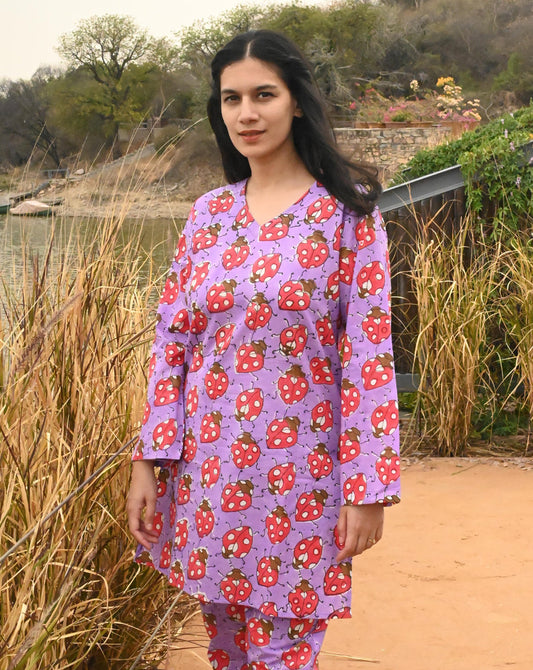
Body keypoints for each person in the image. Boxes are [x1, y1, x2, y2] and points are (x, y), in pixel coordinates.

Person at [127, 29, 400, 670]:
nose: (246, 113)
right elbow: (172, 343)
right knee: (225, 650)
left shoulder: (347, 215)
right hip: (210, 475)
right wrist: (149, 459)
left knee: (281, 655)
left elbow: (368, 355)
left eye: (264, 95)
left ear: (296, 101)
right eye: (232, 99)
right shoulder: (208, 216)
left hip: (301, 481)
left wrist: (368, 487)